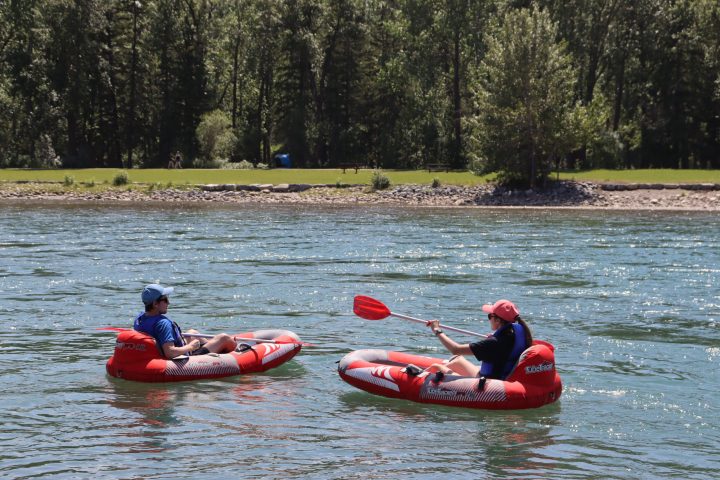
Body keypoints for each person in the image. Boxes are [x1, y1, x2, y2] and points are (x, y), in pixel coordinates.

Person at [425, 299, 533, 380]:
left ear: (498, 320)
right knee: (457, 360)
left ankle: (417, 377)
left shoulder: (493, 343)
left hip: (490, 383)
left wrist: (437, 329)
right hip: (504, 376)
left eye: (490, 316)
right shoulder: (520, 335)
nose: (489, 319)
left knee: (436, 367)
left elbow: (455, 349)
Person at [134, 283, 236, 359]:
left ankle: (215, 348)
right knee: (224, 338)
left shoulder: (140, 318)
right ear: (155, 304)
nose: (168, 303)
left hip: (164, 352)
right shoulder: (162, 324)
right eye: (165, 300)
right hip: (184, 358)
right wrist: (190, 347)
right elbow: (170, 352)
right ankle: (238, 352)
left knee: (192, 333)